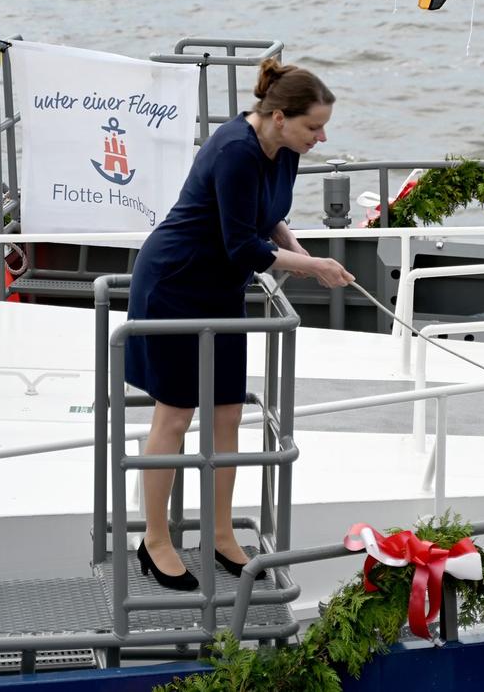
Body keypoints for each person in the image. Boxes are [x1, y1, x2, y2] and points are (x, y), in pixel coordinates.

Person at [126, 58, 354, 590]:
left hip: (221, 288)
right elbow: (243, 246)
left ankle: (220, 531)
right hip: (175, 283)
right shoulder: (234, 149)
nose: (321, 138)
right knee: (175, 416)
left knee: (227, 411)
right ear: (279, 117)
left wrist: (300, 251)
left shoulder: (286, 150)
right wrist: (315, 267)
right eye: (314, 126)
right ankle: (155, 541)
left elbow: (267, 218)